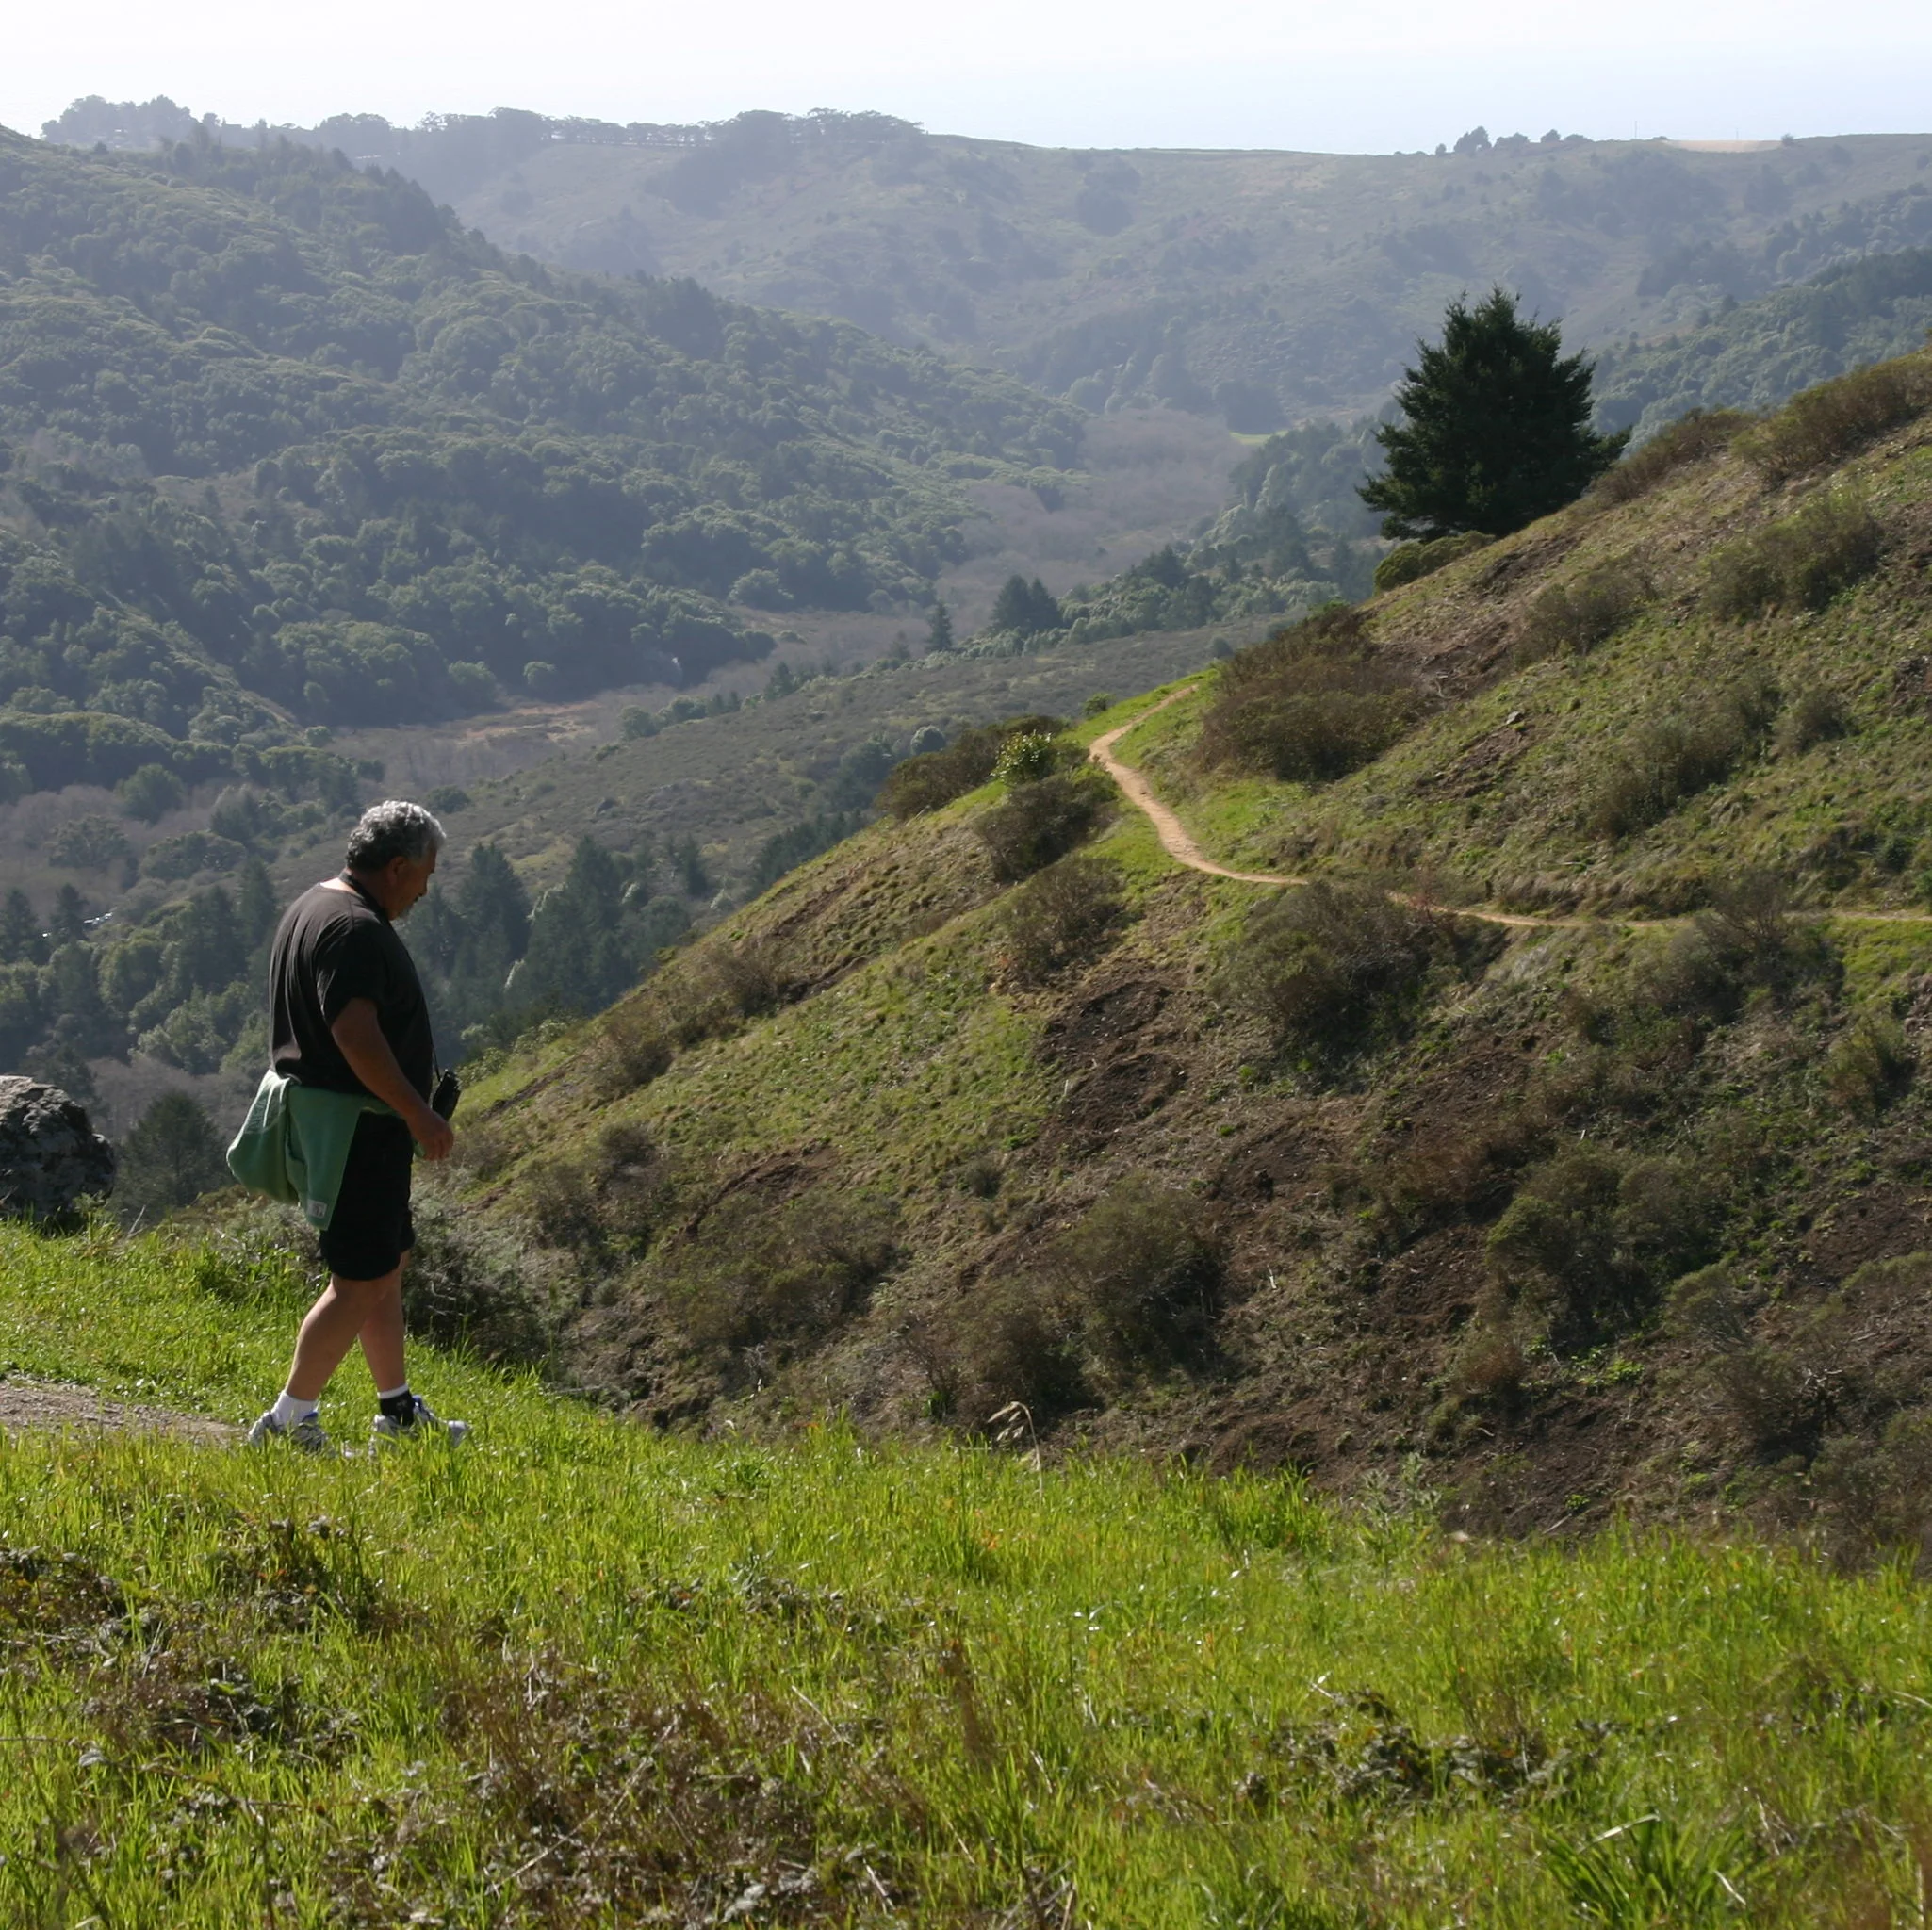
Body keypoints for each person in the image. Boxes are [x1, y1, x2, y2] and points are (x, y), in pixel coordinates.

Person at [246, 800, 467, 1452]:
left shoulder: (317, 905)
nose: (425, 890)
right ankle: (288, 1421)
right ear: (397, 867)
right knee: (359, 1281)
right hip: (355, 1132)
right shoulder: (354, 929)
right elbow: (353, 1032)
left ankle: (396, 1413)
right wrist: (417, 1111)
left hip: (355, 1129)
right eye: (424, 875)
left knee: (385, 1264)